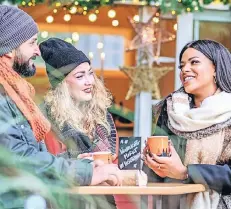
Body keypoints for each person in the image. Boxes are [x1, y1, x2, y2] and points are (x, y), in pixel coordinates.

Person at [0, 5, 121, 209]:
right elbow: (19, 158)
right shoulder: (7, 96)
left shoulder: (14, 92)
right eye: (31, 43)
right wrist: (87, 171)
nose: (37, 50)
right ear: (11, 49)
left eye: (90, 73)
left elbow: (28, 153)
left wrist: (79, 163)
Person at [143, 40, 231, 209]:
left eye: (194, 62)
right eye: (182, 65)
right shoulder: (171, 109)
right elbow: (155, 171)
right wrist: (150, 162)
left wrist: (186, 172)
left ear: (215, 68)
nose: (185, 70)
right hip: (172, 203)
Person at [39, 38, 120, 209]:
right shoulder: (46, 120)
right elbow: (45, 165)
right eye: (80, 76)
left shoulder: (102, 116)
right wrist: (83, 165)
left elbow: (115, 161)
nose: (89, 81)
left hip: (104, 202)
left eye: (90, 73)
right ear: (62, 84)